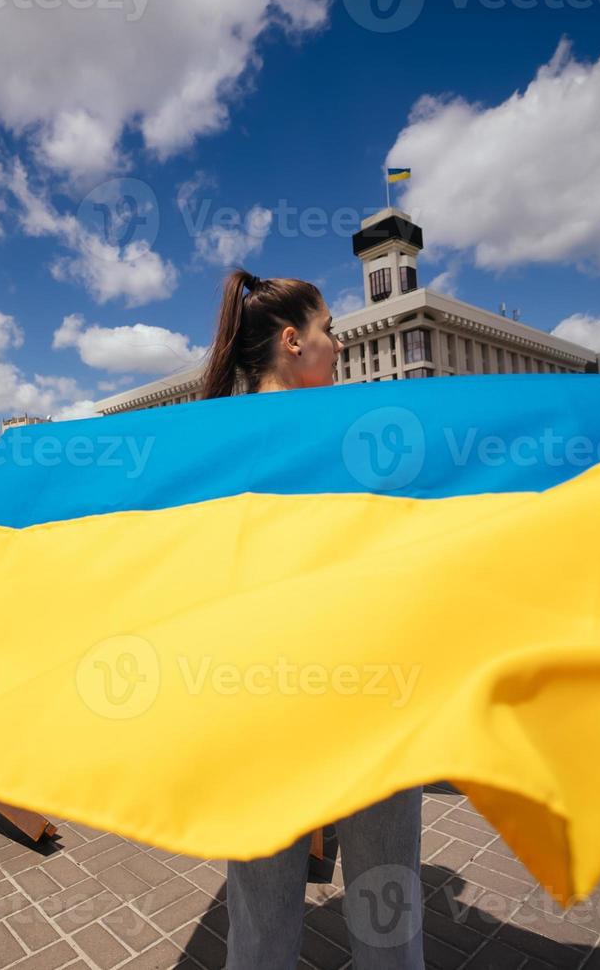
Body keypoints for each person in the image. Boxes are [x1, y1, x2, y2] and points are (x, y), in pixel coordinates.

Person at [204, 270, 425, 969]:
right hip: (367, 691)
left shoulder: (207, 442)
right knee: (387, 910)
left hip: (253, 702)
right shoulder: (356, 431)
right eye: (328, 329)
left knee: (260, 923)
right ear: (293, 340)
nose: (338, 344)